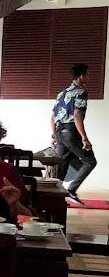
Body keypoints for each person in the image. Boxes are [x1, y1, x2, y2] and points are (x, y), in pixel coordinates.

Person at [51, 62, 97, 203]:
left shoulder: (62, 93)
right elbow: (77, 115)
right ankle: (71, 190)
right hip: (70, 132)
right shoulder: (81, 92)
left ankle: (54, 195)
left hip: (59, 132)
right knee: (90, 161)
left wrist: (53, 136)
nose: (89, 77)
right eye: (88, 75)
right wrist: (84, 138)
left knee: (62, 163)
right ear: (82, 76)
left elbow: (52, 117)